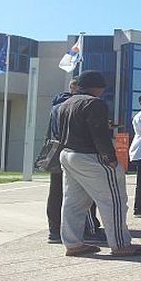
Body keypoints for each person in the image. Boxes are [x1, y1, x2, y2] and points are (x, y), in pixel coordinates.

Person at [58, 70, 141, 256]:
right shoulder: (94, 103)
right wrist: (110, 158)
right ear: (98, 87)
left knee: (73, 202)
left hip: (68, 154)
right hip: (90, 157)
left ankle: (73, 244)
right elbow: (98, 132)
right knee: (114, 200)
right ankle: (120, 244)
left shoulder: (66, 103)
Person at [46, 77, 106, 244]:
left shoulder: (57, 106)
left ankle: (55, 230)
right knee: (83, 193)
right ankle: (88, 229)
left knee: (57, 192)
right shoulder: (77, 105)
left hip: (57, 152)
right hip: (75, 152)